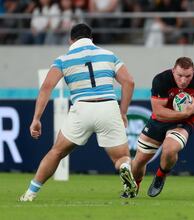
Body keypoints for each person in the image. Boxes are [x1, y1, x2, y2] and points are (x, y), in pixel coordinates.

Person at [19, 23, 137, 201]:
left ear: (70, 40)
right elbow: (129, 82)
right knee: (121, 157)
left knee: (56, 152)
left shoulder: (63, 59)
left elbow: (46, 88)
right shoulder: (109, 55)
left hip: (82, 108)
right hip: (108, 106)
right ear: (91, 38)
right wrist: (123, 112)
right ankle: (124, 169)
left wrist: (36, 118)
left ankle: (30, 193)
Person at [131, 57, 194, 197]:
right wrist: (183, 113)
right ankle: (134, 187)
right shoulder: (161, 80)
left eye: (188, 76)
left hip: (183, 124)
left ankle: (161, 176)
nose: (183, 80)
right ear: (173, 71)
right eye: (179, 75)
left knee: (170, 149)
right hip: (158, 121)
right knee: (138, 162)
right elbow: (158, 112)